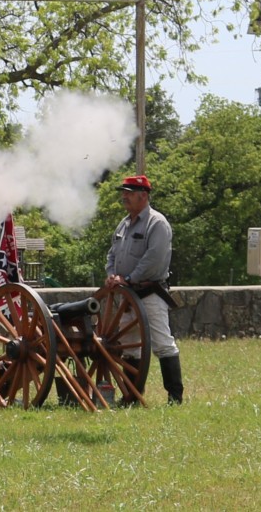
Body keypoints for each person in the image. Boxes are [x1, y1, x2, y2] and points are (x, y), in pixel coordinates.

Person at [103, 173, 182, 405]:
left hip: (149, 292)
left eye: (129, 193)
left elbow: (154, 259)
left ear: (143, 196)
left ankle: (175, 397)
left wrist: (128, 278)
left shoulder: (157, 223)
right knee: (130, 346)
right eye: (123, 193)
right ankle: (131, 396)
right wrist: (111, 276)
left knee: (162, 343)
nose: (124, 197)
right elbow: (112, 254)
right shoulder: (124, 223)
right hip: (127, 294)